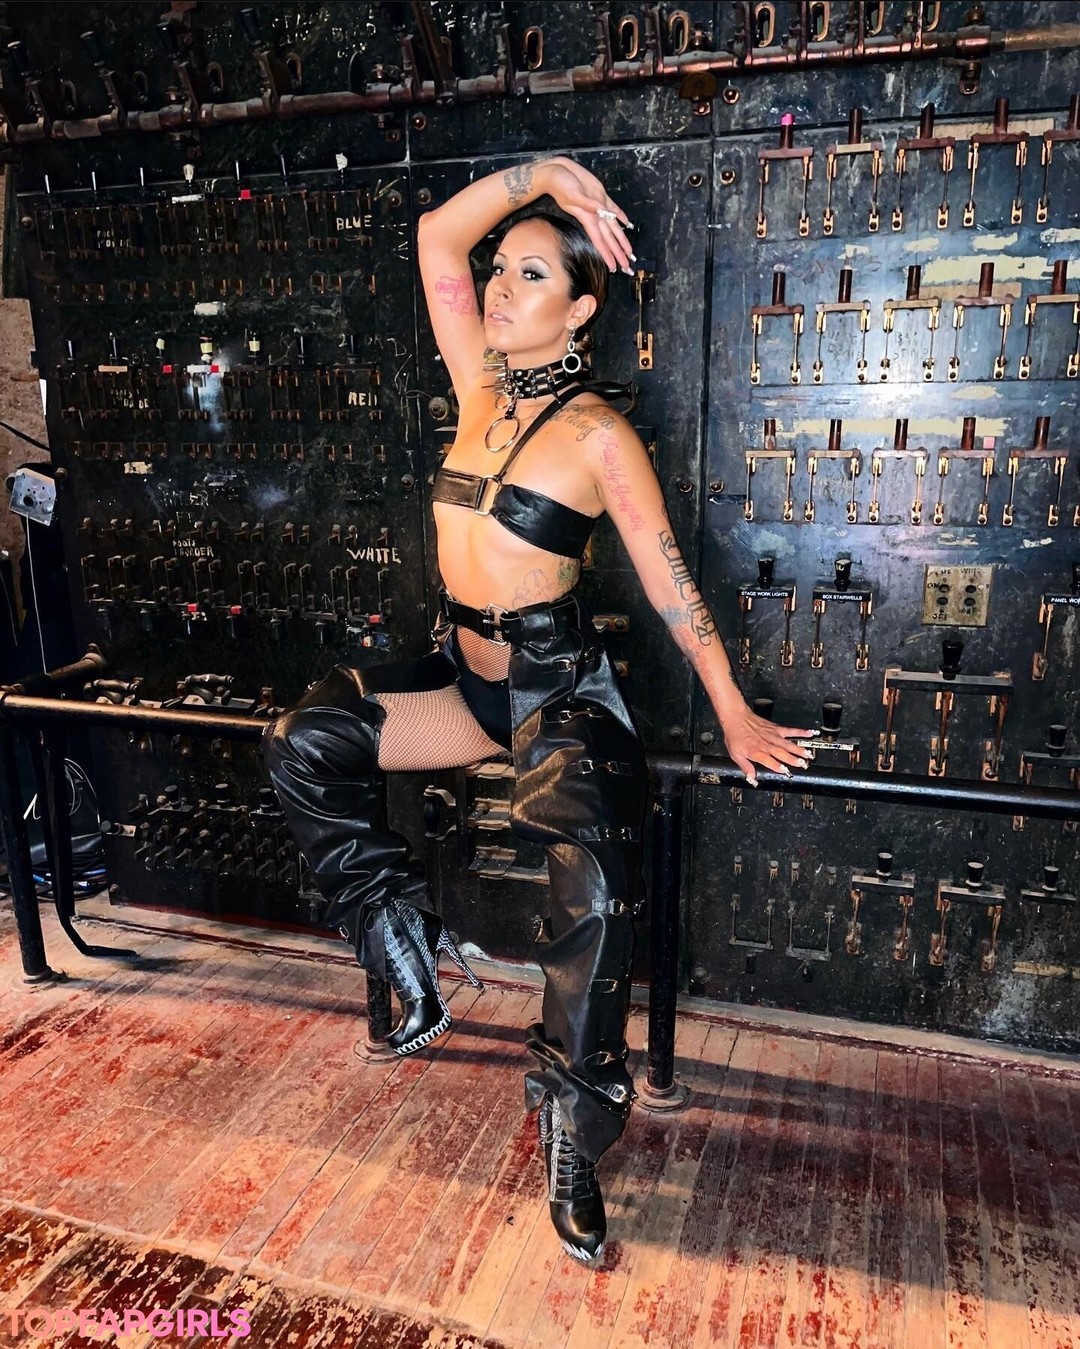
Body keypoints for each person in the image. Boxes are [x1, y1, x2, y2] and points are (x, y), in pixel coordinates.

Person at [262, 155, 811, 1264]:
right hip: (465, 685)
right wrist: (544, 176)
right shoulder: (478, 383)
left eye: (529, 276)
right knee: (305, 739)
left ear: (581, 309)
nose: (499, 289)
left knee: (595, 894)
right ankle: (405, 945)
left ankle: (574, 1132)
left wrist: (732, 708)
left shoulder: (599, 435)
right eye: (499, 272)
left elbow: (670, 584)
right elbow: (436, 236)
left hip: (556, 690)